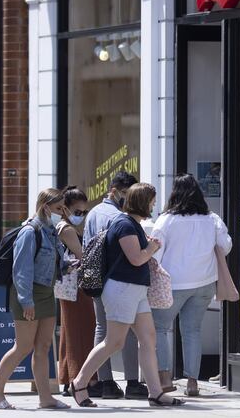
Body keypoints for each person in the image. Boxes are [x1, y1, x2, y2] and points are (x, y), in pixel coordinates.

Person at [70, 183, 184, 408]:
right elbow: (136, 258)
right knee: (114, 342)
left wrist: (149, 248)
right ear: (143, 201)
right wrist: (151, 249)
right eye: (151, 200)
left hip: (134, 289)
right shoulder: (125, 225)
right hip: (122, 289)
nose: (154, 204)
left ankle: (155, 393)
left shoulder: (131, 223)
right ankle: (79, 383)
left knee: (148, 339)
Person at [0, 188, 70, 410]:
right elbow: (21, 269)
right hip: (28, 294)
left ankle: (46, 398)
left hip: (46, 291)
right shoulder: (30, 231)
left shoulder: (51, 230)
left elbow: (49, 262)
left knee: (43, 346)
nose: (62, 212)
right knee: (23, 346)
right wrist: (26, 300)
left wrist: (67, 266)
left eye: (63, 208)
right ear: (45, 207)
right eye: (58, 208)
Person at [151, 174, 232, 396]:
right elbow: (225, 246)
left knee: (159, 328)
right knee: (192, 331)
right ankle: (192, 382)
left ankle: (165, 378)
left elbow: (155, 252)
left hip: (173, 283)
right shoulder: (212, 218)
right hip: (205, 282)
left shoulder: (166, 219)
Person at [83, 171, 146, 399]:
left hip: (96, 277)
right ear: (114, 191)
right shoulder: (119, 217)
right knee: (126, 330)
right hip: (116, 279)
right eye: (126, 194)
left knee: (102, 328)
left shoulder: (93, 214)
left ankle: (106, 382)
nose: (128, 199)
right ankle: (132, 382)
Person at [56, 187, 98, 397]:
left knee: (70, 332)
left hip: (68, 286)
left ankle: (68, 377)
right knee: (81, 331)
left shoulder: (64, 226)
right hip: (76, 286)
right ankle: (80, 379)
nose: (81, 215)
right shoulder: (68, 229)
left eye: (84, 212)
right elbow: (82, 256)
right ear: (65, 208)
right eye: (78, 211)